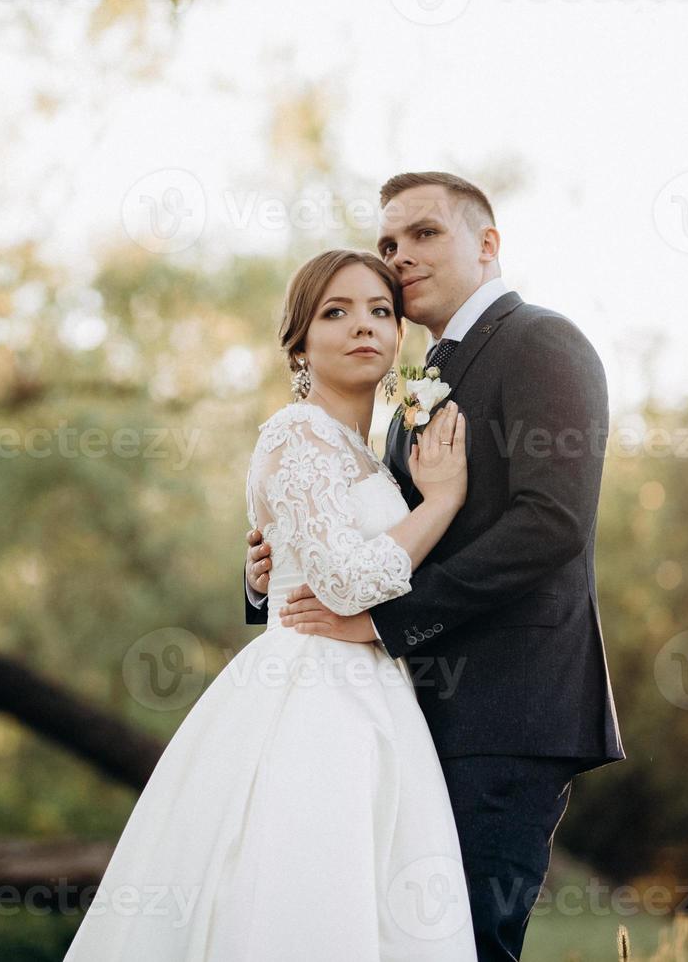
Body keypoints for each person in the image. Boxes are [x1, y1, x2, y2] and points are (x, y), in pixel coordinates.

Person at [246, 172, 625, 962]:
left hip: (504, 708)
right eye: (389, 243)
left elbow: (550, 525)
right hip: (401, 714)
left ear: (487, 246)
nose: (400, 257)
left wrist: (381, 624)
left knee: (471, 944)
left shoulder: (542, 343)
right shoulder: (415, 388)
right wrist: (272, 577)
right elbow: (367, 538)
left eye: (423, 234)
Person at [64, 248, 478, 961]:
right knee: (307, 890)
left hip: (375, 687)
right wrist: (442, 500)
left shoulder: (368, 450)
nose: (364, 327)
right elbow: (345, 583)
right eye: (337, 312)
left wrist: (262, 577)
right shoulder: (295, 434)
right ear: (299, 342)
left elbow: (313, 553)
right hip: (313, 695)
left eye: (382, 312)